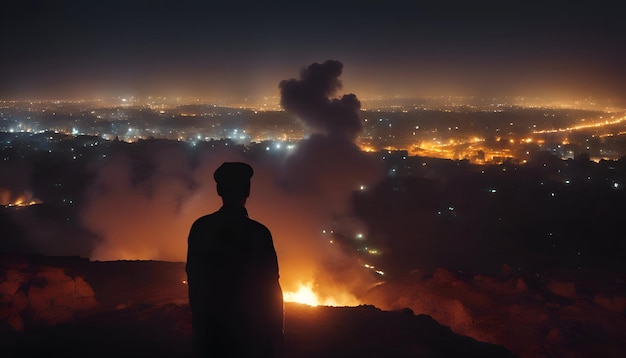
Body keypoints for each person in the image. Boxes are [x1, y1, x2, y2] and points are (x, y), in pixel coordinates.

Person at [186, 162, 284, 357]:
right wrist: (276, 331)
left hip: (211, 332)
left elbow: (194, 279)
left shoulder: (201, 227)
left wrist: (201, 323)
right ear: (248, 190)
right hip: (250, 334)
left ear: (218, 190)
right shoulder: (259, 232)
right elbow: (271, 285)